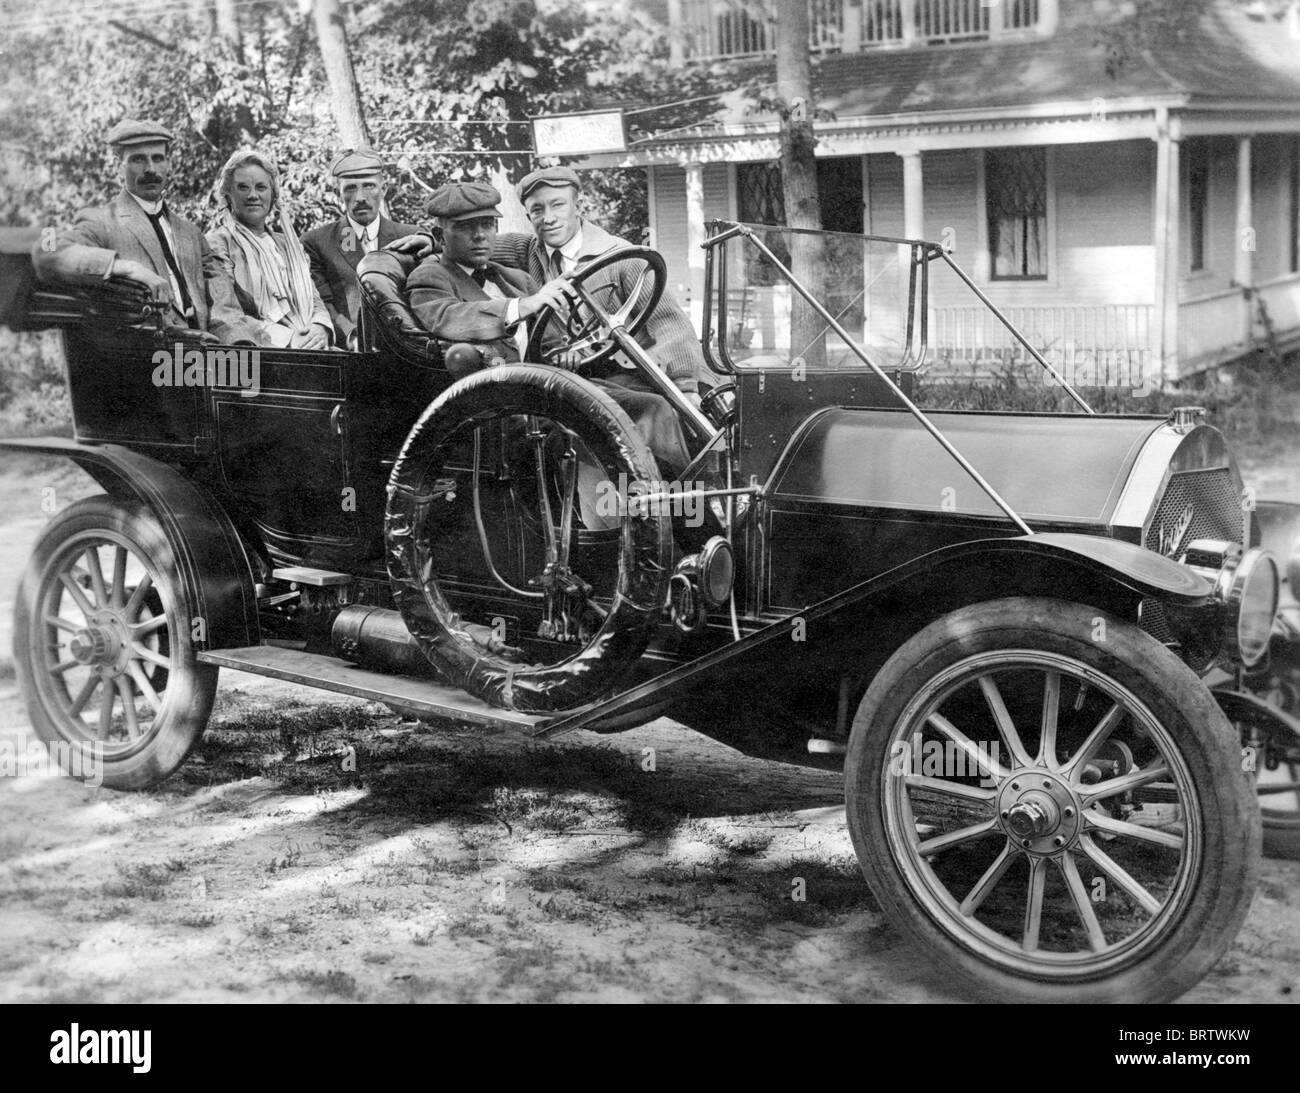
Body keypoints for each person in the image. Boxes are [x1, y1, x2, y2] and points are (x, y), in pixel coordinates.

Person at [492, 165, 709, 407]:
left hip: (639, 373)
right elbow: (475, 244)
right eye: (537, 210)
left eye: (558, 205)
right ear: (528, 217)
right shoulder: (528, 251)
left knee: (653, 410)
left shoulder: (622, 257)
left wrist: (685, 385)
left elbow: (670, 323)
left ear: (579, 206)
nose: (548, 218)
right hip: (581, 378)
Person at [30, 118, 252, 341]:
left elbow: (223, 303)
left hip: (202, 356)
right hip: (143, 358)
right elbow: (46, 253)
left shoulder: (191, 233)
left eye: (157, 158)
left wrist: (238, 345)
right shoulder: (102, 221)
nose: (150, 169)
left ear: (169, 164)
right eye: (138, 159)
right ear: (119, 167)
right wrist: (126, 268)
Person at [406, 181, 571, 365]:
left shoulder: (519, 279)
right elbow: (449, 318)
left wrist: (563, 353)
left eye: (487, 224)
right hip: (494, 387)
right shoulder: (429, 276)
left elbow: (551, 342)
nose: (479, 235)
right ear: (439, 236)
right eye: (465, 226)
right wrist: (519, 307)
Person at [205, 149, 332, 349]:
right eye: (243, 187)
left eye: (261, 187)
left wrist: (320, 327)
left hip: (311, 343)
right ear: (228, 195)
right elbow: (227, 315)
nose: (253, 195)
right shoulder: (217, 244)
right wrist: (289, 338)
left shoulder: (289, 244)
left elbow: (314, 298)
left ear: (273, 195)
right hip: (262, 348)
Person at [302, 150, 424, 348]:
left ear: (383, 189)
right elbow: (322, 304)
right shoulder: (316, 242)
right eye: (350, 188)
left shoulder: (410, 237)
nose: (360, 197)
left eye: (369, 186)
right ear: (338, 193)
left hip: (406, 352)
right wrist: (352, 338)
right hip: (351, 353)